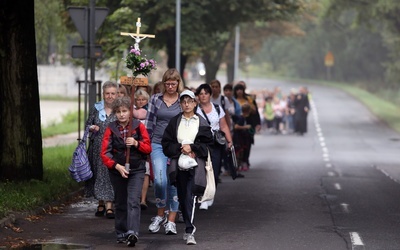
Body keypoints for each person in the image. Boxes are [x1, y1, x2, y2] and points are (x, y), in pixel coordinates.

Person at [162, 90, 213, 245]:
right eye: (184, 101)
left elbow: (207, 144)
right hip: (179, 165)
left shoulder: (201, 121)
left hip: (195, 165)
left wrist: (192, 148)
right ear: (180, 104)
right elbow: (166, 143)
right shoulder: (175, 122)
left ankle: (190, 231)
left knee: (190, 195)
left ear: (195, 103)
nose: (187, 104)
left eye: (190, 101)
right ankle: (187, 226)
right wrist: (180, 148)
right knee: (183, 197)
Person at [101, 96, 152, 246]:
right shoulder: (111, 128)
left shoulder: (138, 126)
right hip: (117, 169)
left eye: (124, 111)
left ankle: (132, 232)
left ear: (130, 111)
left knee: (133, 201)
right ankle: (121, 232)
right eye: (118, 112)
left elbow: (148, 147)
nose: (122, 114)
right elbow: (104, 153)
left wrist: (136, 143)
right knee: (121, 202)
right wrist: (116, 166)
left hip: (136, 169)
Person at [145, 68, 184, 235]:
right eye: (167, 84)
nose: (170, 87)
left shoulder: (183, 101)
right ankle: (160, 214)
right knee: (160, 180)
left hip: (176, 146)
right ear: (163, 84)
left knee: (174, 181)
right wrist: (145, 145)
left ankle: (171, 220)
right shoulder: (156, 99)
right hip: (157, 143)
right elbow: (148, 123)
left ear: (178, 84)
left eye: (173, 84)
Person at [195, 83, 233, 210]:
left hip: (216, 143)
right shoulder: (195, 110)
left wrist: (229, 141)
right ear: (198, 96)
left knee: (214, 170)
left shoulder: (217, 108)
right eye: (201, 93)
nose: (203, 96)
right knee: (202, 170)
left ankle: (210, 196)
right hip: (201, 143)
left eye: (206, 93)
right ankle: (204, 197)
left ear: (210, 95)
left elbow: (224, 126)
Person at [85, 80, 118, 219]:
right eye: (107, 93)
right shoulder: (96, 108)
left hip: (113, 147)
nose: (110, 96)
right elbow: (88, 125)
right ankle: (100, 202)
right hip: (97, 146)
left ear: (117, 95)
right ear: (103, 94)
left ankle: (109, 205)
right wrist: (92, 128)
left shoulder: (120, 108)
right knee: (99, 174)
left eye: (113, 93)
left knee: (109, 175)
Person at [131, 88, 151, 210]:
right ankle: (135, 198)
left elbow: (138, 114)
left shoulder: (148, 111)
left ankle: (143, 199)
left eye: (143, 99)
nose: (140, 102)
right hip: (133, 144)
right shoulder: (131, 112)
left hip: (145, 143)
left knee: (146, 172)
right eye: (138, 100)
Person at [232, 104, 258, 171]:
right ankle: (239, 165)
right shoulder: (241, 118)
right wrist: (245, 127)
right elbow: (236, 127)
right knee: (241, 151)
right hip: (240, 138)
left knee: (246, 151)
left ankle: (243, 164)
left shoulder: (250, 118)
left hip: (247, 137)